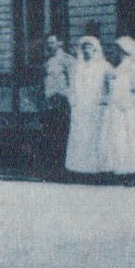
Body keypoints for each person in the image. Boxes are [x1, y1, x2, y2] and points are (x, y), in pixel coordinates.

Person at [99, 36, 135, 183]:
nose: (116, 52)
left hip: (128, 111)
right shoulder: (115, 68)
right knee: (117, 140)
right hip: (115, 109)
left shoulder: (133, 68)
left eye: (119, 49)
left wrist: (129, 103)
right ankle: (119, 171)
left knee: (130, 141)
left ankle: (132, 173)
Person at [63, 36, 108, 177]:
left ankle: (97, 169)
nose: (87, 51)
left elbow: (111, 83)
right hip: (81, 106)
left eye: (90, 48)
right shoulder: (78, 66)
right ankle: (80, 168)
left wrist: (105, 98)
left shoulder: (103, 66)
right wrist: (73, 101)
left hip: (96, 105)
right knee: (81, 135)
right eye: (85, 48)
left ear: (95, 49)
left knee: (96, 136)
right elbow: (72, 86)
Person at [41, 35, 75, 174]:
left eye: (53, 42)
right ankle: (53, 169)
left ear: (59, 43)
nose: (50, 45)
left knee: (62, 134)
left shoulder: (67, 60)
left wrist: (65, 95)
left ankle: (63, 168)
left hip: (62, 101)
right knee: (51, 134)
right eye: (48, 43)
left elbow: (72, 81)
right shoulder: (47, 61)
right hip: (50, 101)